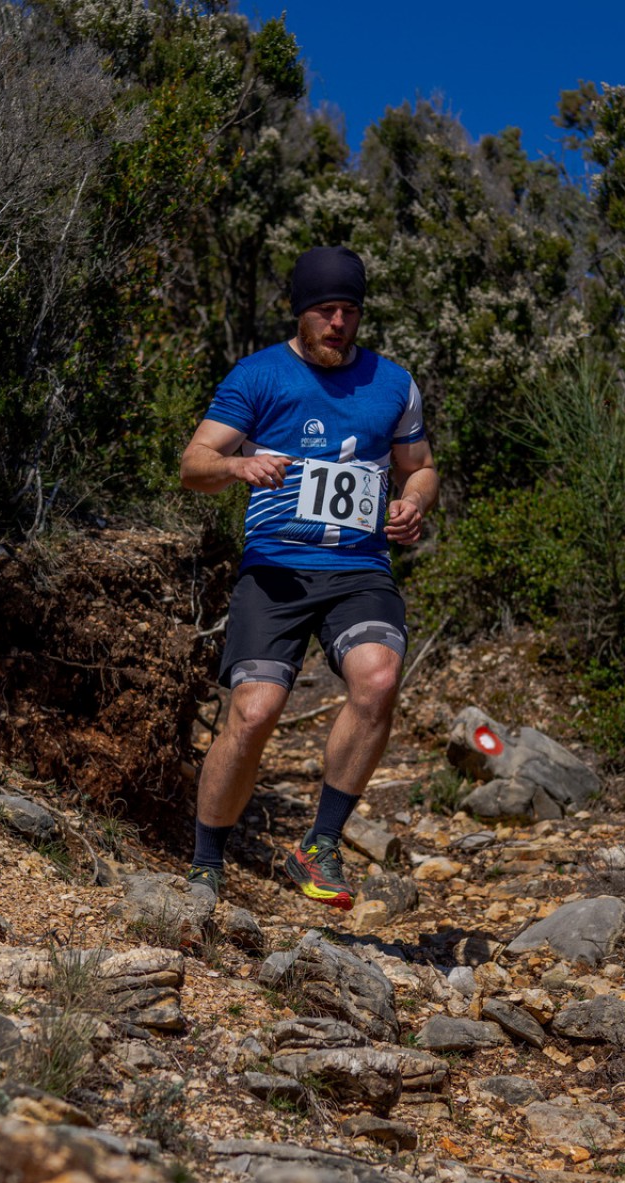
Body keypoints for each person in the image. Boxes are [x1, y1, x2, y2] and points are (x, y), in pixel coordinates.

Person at [179, 245, 438, 912]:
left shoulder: (393, 383)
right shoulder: (259, 375)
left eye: (349, 310)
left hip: (359, 570)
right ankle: (206, 864)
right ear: (299, 312)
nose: (338, 323)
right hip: (277, 569)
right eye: (324, 310)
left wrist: (413, 502)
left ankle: (319, 844)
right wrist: (237, 467)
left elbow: (418, 466)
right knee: (254, 713)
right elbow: (194, 462)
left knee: (378, 678)